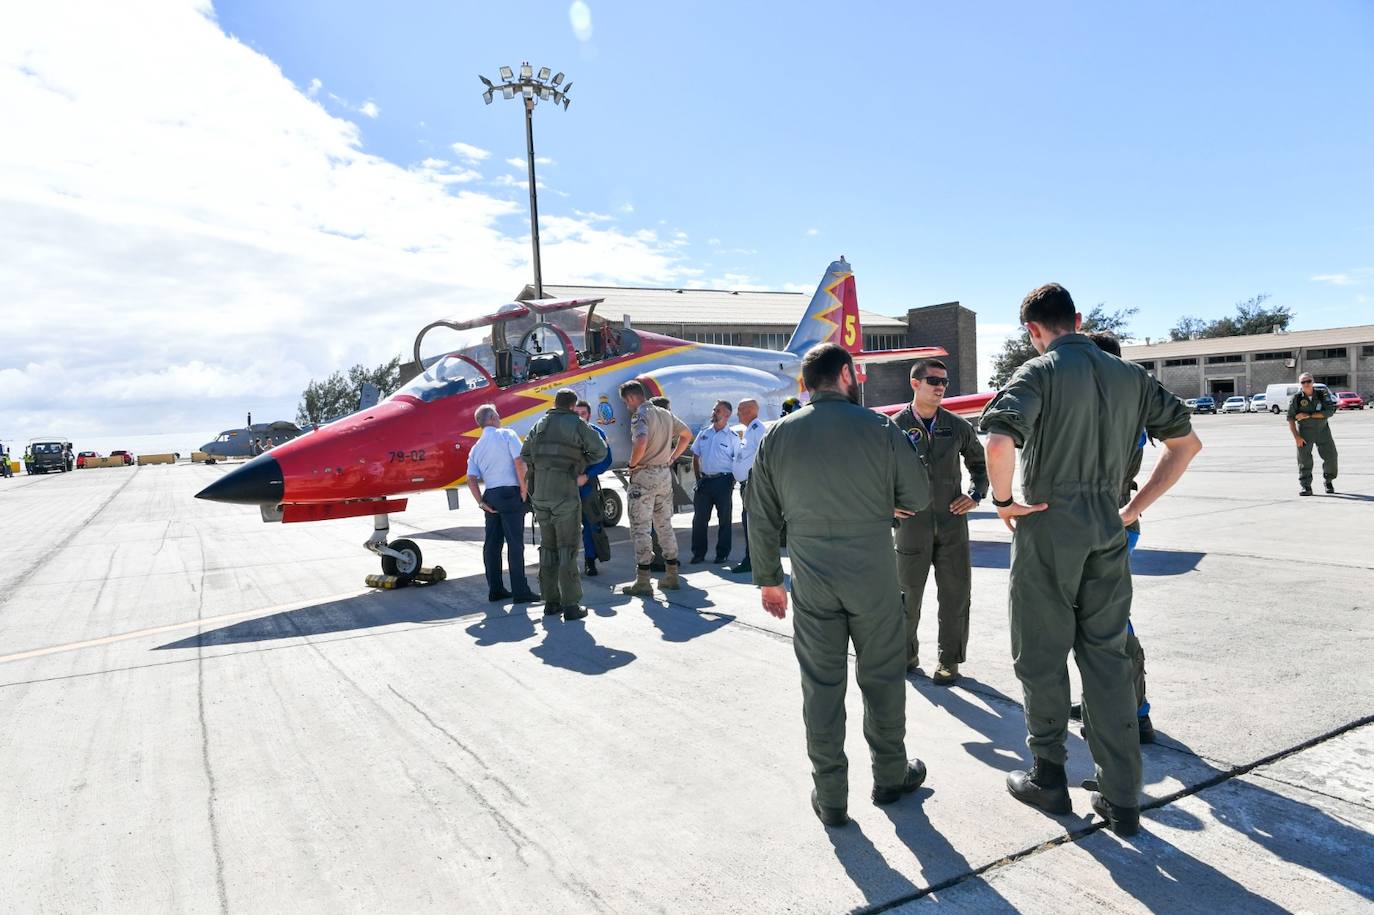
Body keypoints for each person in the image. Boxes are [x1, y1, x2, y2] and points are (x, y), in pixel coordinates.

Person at [980, 283, 1200, 837]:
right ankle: (1122, 795)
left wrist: (1004, 502)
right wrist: (1132, 508)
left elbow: (999, 442)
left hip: (1049, 524)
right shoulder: (1133, 378)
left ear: (1032, 329)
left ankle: (1048, 777)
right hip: (1108, 522)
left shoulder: (1038, 373)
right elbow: (1186, 445)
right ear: (1077, 319)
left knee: (1040, 652)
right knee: (1106, 654)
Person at [748, 343, 932, 827]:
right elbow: (916, 495)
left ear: (805, 385)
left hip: (812, 583)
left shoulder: (777, 436)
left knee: (822, 688)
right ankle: (891, 775)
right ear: (847, 375)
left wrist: (769, 580)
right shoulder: (880, 427)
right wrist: (882, 504)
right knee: (883, 679)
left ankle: (831, 797)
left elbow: (760, 516)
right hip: (872, 577)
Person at [1068, 332, 1154, 742]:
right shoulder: (1123, 402)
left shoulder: (1115, 408)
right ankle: (1106, 700)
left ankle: (1132, 712)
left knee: (1107, 623)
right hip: (1105, 525)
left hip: (1108, 527)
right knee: (1092, 620)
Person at [891, 358, 987, 685]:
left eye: (944, 381)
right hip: (910, 527)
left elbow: (979, 464)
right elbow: (874, 473)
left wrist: (975, 494)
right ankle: (905, 654)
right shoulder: (893, 426)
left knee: (955, 596)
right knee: (905, 597)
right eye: (933, 380)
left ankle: (949, 661)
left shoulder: (958, 426)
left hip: (952, 525)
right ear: (915, 383)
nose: (940, 387)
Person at [521, 389, 609, 620]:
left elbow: (525, 455)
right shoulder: (577, 423)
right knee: (567, 548)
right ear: (572, 406)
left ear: (555, 403)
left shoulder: (539, 424)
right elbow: (601, 451)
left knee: (548, 549)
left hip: (540, 495)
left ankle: (550, 602)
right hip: (565, 495)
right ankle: (570, 605)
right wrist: (579, 461)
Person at [619, 381, 692, 596]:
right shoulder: (664, 413)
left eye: (626, 402)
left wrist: (632, 464)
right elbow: (686, 434)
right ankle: (672, 574)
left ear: (632, 398)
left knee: (640, 527)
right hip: (663, 475)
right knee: (664, 525)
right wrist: (672, 457)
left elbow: (640, 440)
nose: (626, 406)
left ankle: (643, 580)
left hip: (644, 476)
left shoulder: (640, 415)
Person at [465, 404, 539, 604]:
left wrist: (480, 501)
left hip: (490, 495)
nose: (500, 418)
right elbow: (519, 462)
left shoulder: (476, 447)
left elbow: (471, 478)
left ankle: (496, 589)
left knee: (492, 544)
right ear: (491, 418)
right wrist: (524, 489)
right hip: (510, 492)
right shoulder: (507, 434)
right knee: (515, 544)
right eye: (497, 415)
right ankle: (520, 591)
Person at [689, 400, 742, 564]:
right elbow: (695, 456)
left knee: (724, 520)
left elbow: (738, 460)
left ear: (727, 415)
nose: (714, 412)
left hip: (723, 481)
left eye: (718, 410)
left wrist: (731, 481)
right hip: (705, 482)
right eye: (714, 409)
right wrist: (698, 479)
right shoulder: (704, 433)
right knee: (699, 520)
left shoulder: (733, 437)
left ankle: (722, 553)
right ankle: (698, 553)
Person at [574, 400, 613, 576]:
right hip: (565, 487)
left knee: (591, 525)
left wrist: (587, 476)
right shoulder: (565, 434)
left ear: (589, 415)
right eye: (576, 413)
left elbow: (606, 460)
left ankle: (590, 561)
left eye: (583, 413)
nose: (580, 416)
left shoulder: (597, 433)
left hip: (587, 487)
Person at [731, 398, 767, 575]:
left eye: (739, 410)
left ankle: (753, 561)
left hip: (753, 485)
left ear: (748, 411)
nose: (737, 414)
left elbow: (766, 456)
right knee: (748, 523)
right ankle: (751, 559)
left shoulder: (758, 430)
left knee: (751, 524)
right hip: (747, 485)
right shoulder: (749, 430)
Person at [1287, 372, 1338, 495]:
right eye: (1303, 382)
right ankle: (1306, 486)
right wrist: (1296, 437)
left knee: (1331, 457)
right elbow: (1290, 419)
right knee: (1304, 460)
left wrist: (1308, 415)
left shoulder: (1322, 394)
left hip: (1323, 432)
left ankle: (1328, 481)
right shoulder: (1297, 398)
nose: (1306, 384)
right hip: (1305, 433)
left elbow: (1329, 411)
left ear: (1313, 382)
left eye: (1308, 381)